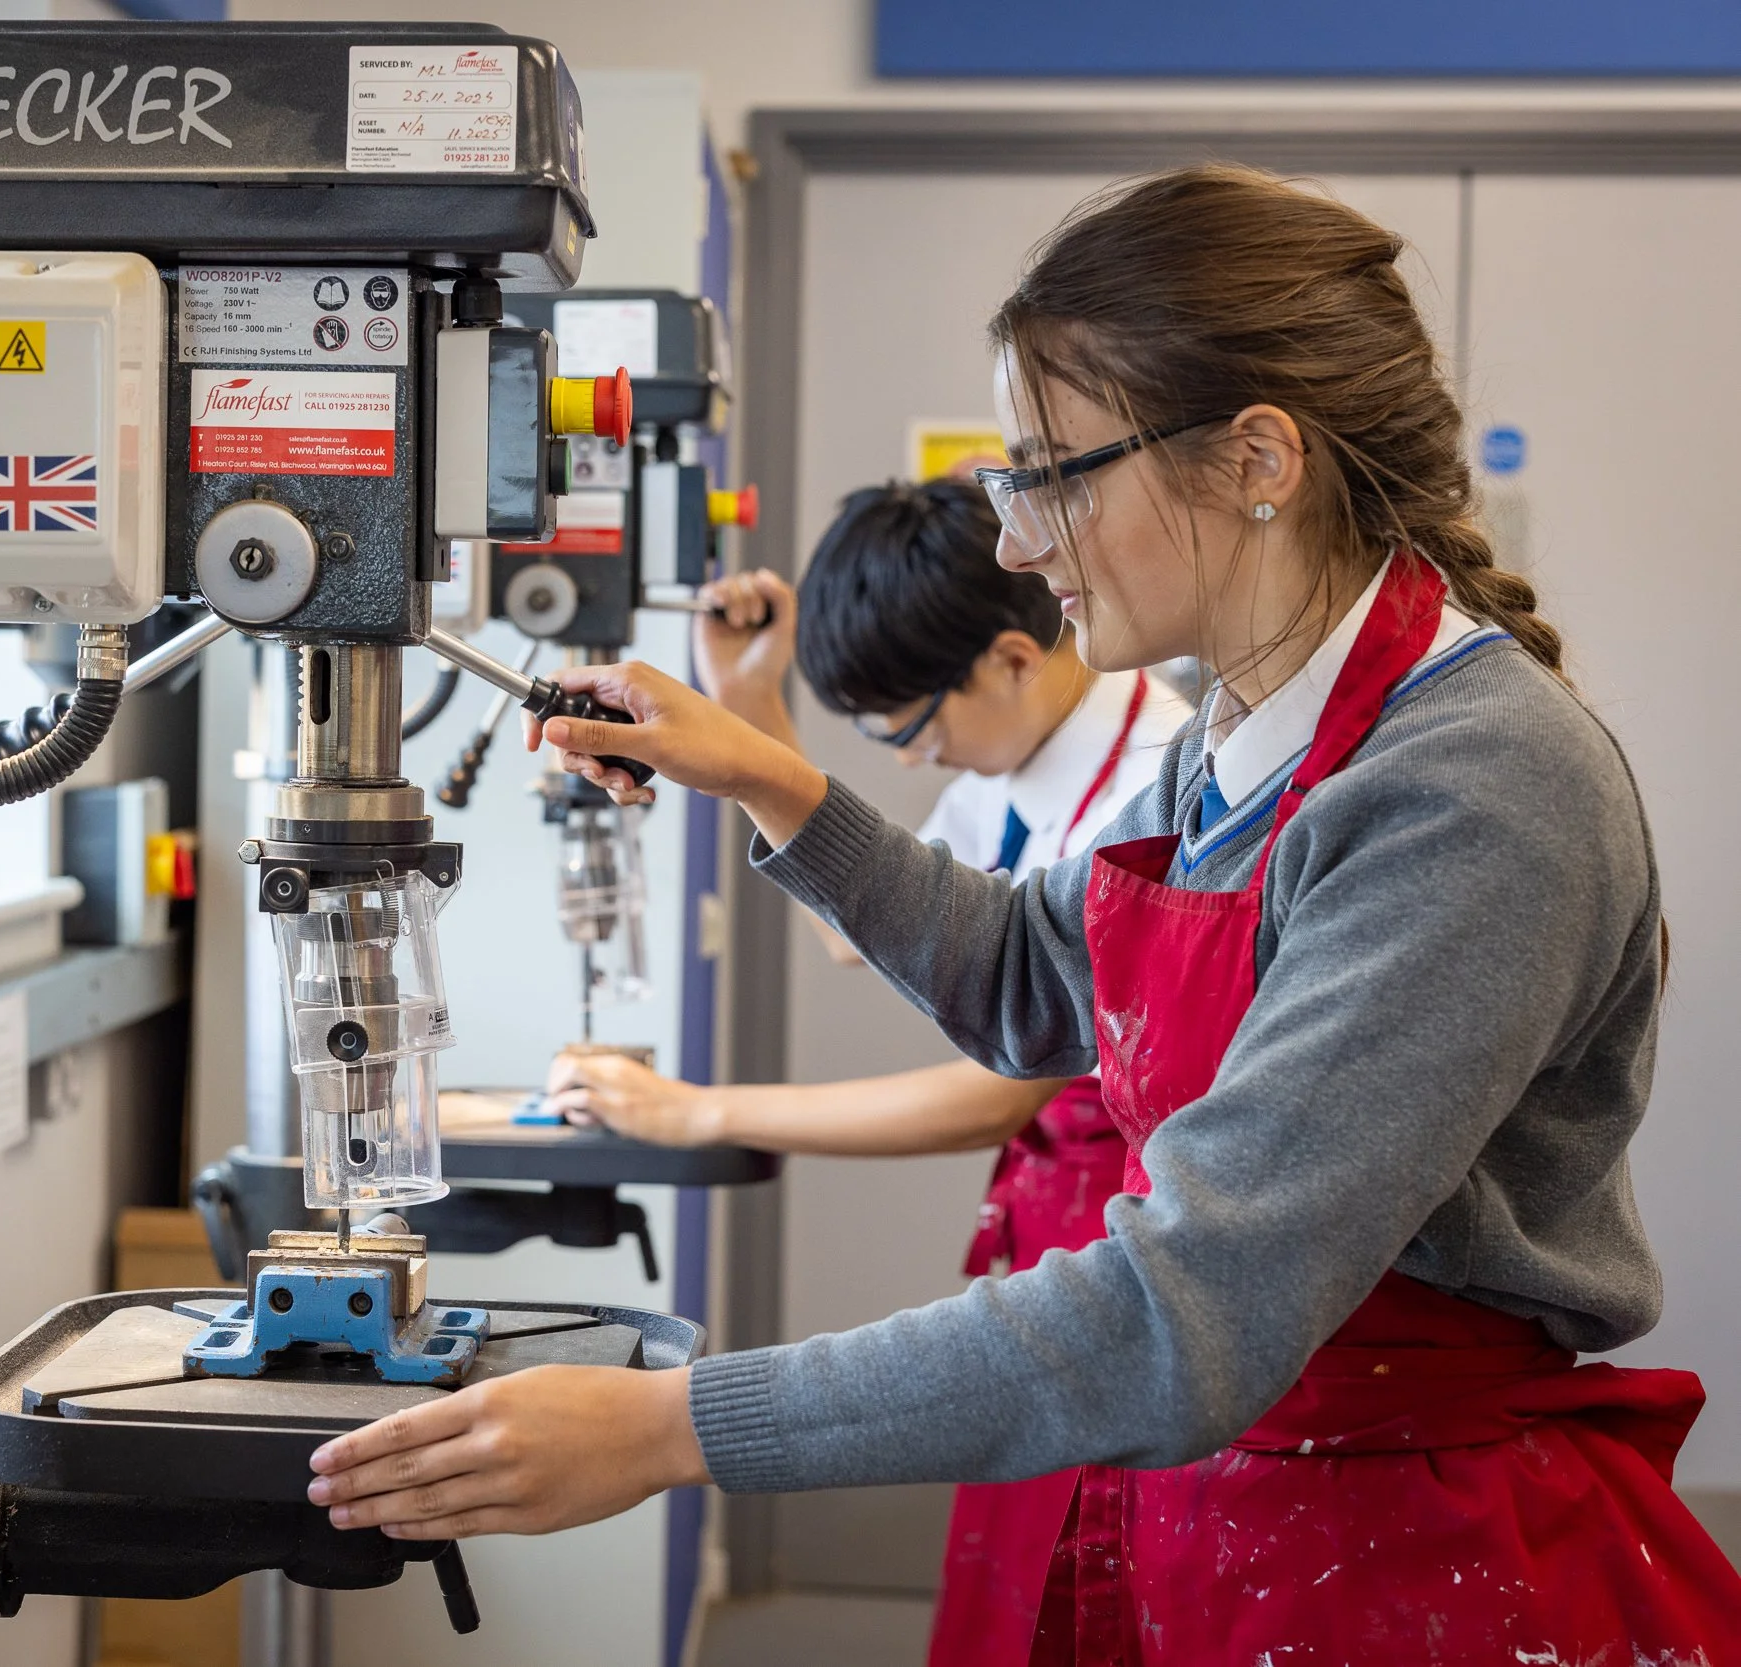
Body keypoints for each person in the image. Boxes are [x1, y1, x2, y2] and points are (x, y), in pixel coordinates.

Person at [305, 165, 1741, 1661]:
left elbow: (1187, 1309)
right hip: (1249, 1503)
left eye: (1055, 471)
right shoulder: (1244, 728)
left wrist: (675, 1425)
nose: (1015, 538)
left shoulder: (1472, 786)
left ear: (1259, 457)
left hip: (1409, 1548)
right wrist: (764, 774)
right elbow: (1029, 972)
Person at [545, 479, 1190, 1662]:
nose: (912, 758)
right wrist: (747, 704)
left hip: (1131, 1234)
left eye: (909, 726)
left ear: (1007, 655)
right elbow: (861, 919)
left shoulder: (1147, 784)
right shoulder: (1022, 752)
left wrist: (699, 1110)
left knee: (1096, 1592)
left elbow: (999, 1088)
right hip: (1049, 1214)